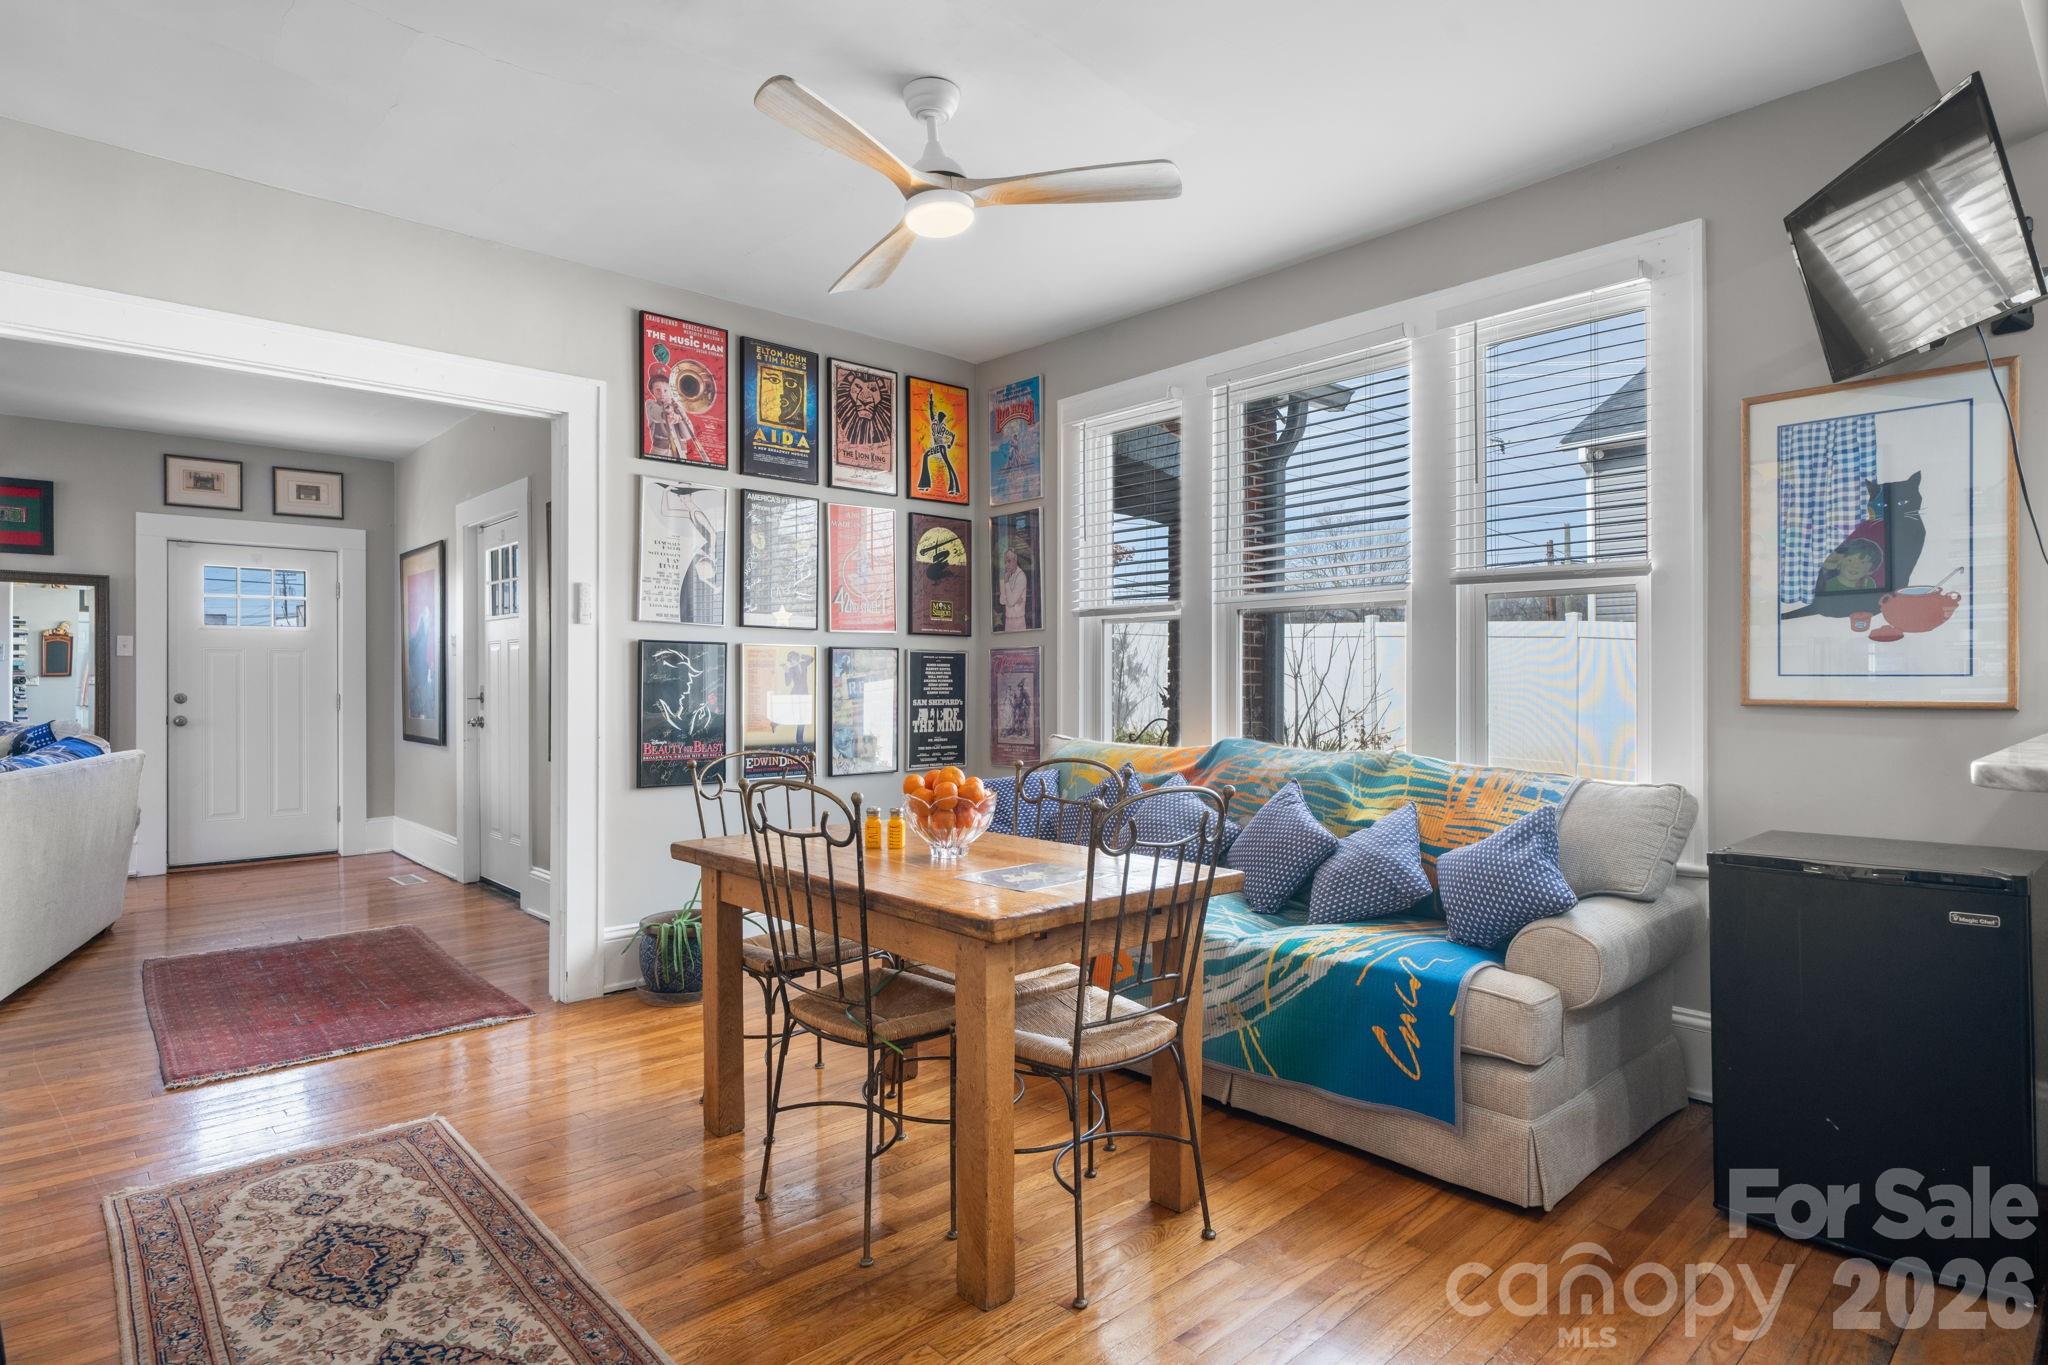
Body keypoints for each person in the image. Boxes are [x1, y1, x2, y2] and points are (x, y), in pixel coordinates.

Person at [917, 407, 959, 497]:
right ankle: (924, 484)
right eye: (941, 417)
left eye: (942, 418)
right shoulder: (934, 424)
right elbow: (931, 413)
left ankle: (954, 488)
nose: (942, 419)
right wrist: (931, 402)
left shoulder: (943, 428)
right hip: (936, 447)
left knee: (948, 463)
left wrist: (950, 444)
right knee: (925, 456)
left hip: (942, 447)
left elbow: (953, 435)